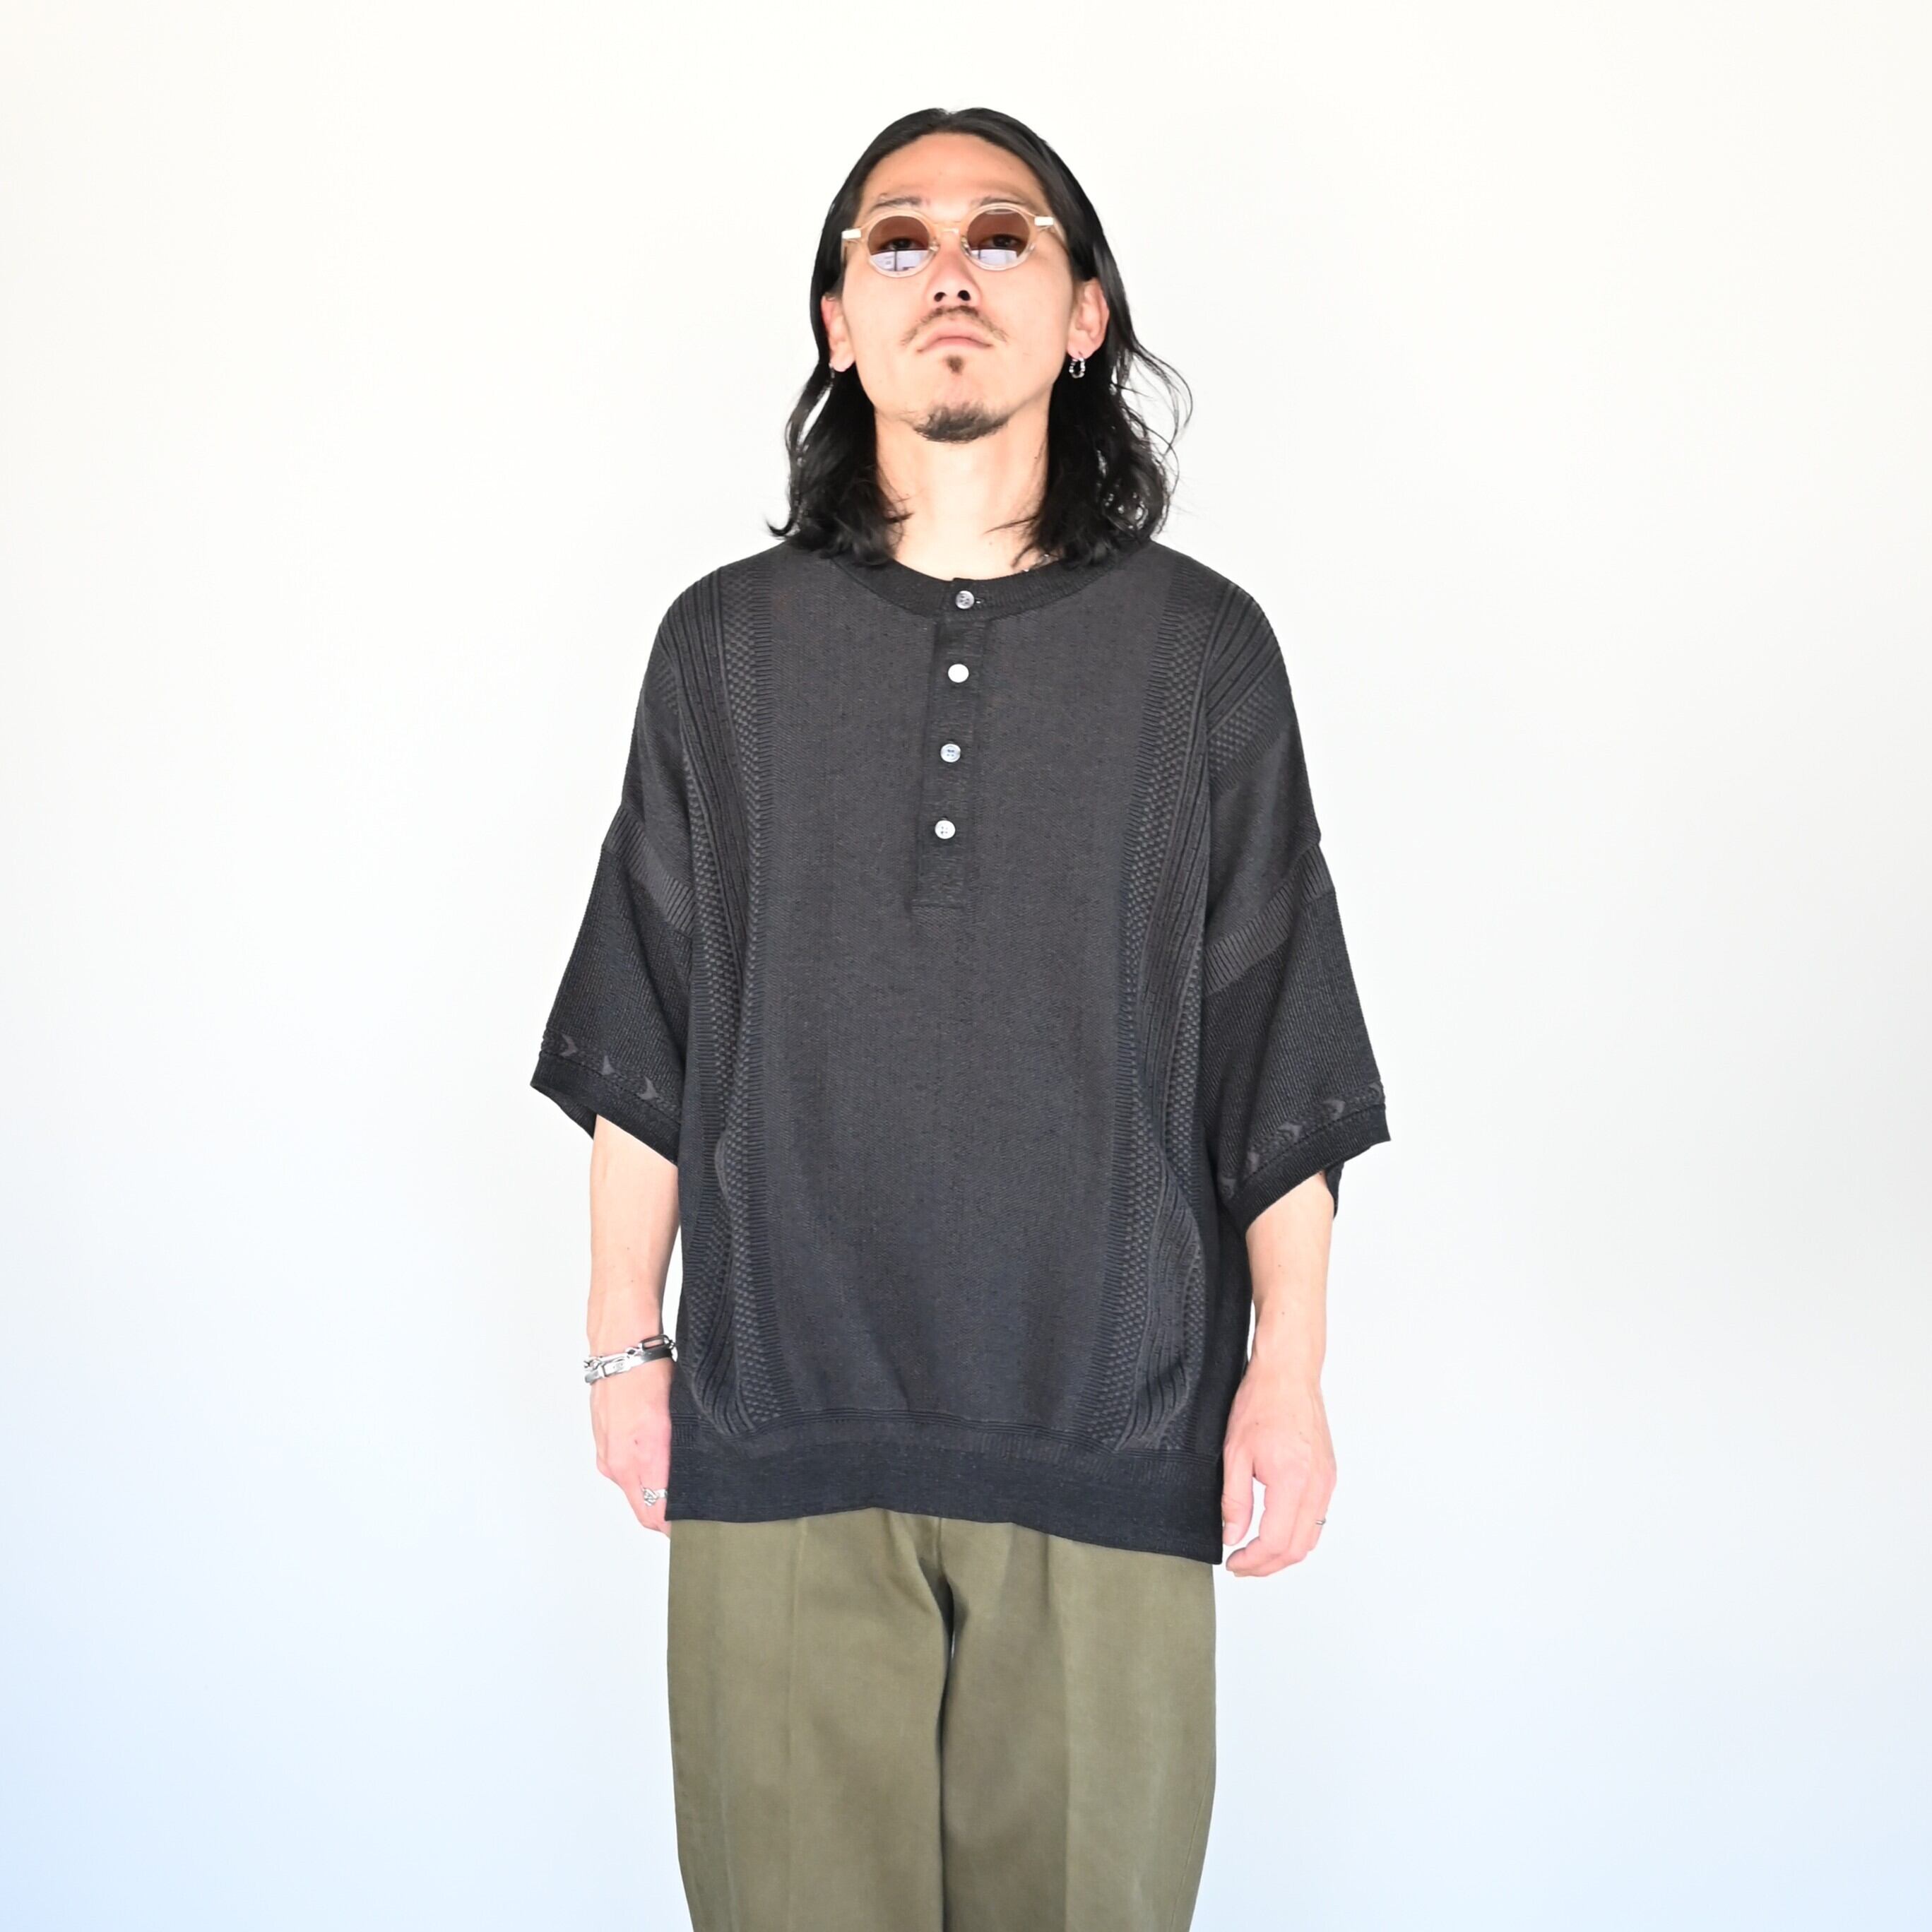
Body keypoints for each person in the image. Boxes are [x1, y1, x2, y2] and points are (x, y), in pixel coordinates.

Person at [530, 104, 1392, 1932]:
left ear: (1083, 314)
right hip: (781, 1433)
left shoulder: (1205, 656)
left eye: (1004, 235)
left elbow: (1273, 1045)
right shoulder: (721, 650)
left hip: (1113, 1436)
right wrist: (623, 1352)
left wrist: (1290, 1372)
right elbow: (646, 1033)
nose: (950, 272)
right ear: (837, 318)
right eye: (897, 239)